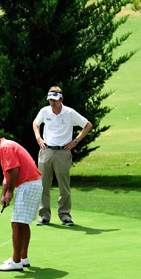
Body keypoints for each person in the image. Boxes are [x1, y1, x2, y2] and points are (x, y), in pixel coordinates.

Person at [0, 128, 43, 272]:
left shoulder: (5, 147)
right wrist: (4, 195)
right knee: (23, 223)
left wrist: (10, 192)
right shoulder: (2, 150)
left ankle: (16, 261)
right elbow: (6, 177)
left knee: (17, 224)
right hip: (31, 184)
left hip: (28, 184)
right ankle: (23, 258)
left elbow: (15, 170)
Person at [33, 86, 93, 226]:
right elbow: (36, 123)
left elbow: (88, 125)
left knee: (63, 186)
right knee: (43, 185)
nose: (52, 103)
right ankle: (44, 216)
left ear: (61, 99)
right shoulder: (45, 111)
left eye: (54, 100)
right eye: (50, 100)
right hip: (46, 150)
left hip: (63, 152)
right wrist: (38, 138)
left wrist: (75, 141)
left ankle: (65, 215)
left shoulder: (69, 113)